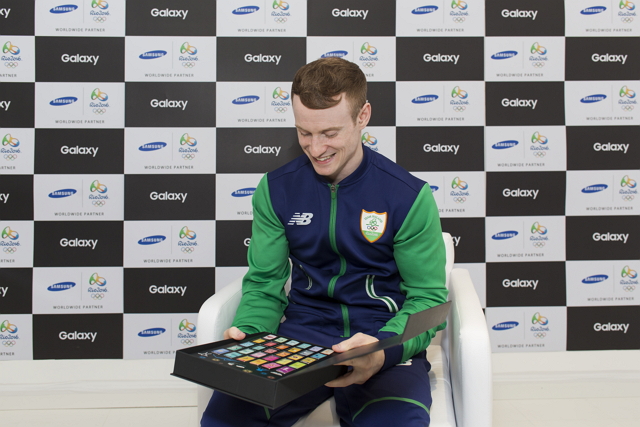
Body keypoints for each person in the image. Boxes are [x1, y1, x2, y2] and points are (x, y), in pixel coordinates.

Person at [201, 57, 448, 427]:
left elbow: (428, 298)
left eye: (330, 133)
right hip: (301, 338)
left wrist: (383, 350)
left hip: (381, 334)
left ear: (363, 116)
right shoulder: (275, 190)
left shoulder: (408, 196)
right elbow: (265, 286)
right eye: (304, 133)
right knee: (224, 421)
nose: (316, 149)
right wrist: (249, 335)